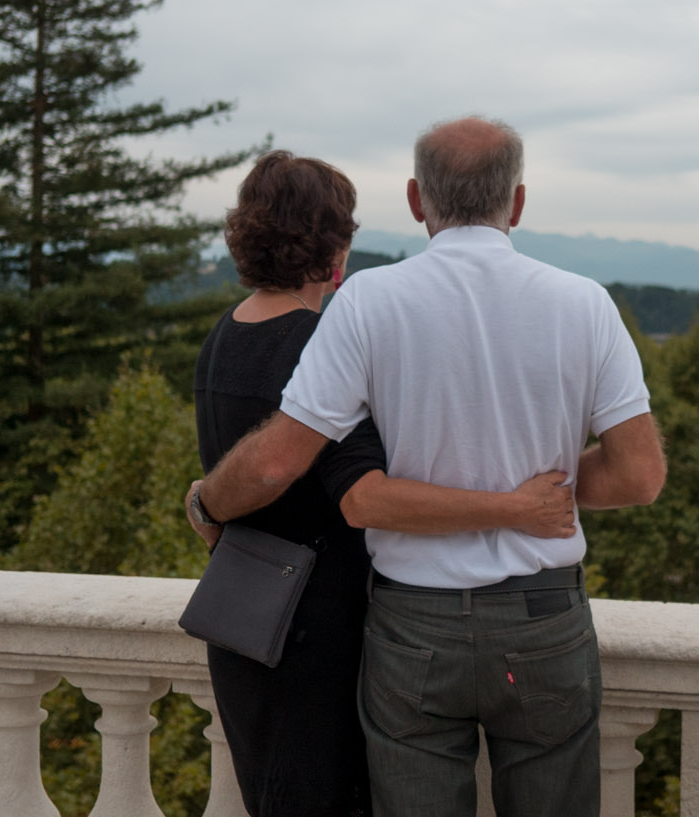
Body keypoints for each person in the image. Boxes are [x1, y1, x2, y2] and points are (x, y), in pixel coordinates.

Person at [190, 118, 666, 817]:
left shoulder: (366, 302)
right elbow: (640, 476)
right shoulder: (584, 303)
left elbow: (281, 457)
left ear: (417, 199)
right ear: (519, 201)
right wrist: (543, 494)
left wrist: (205, 502)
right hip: (542, 614)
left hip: (413, 626)